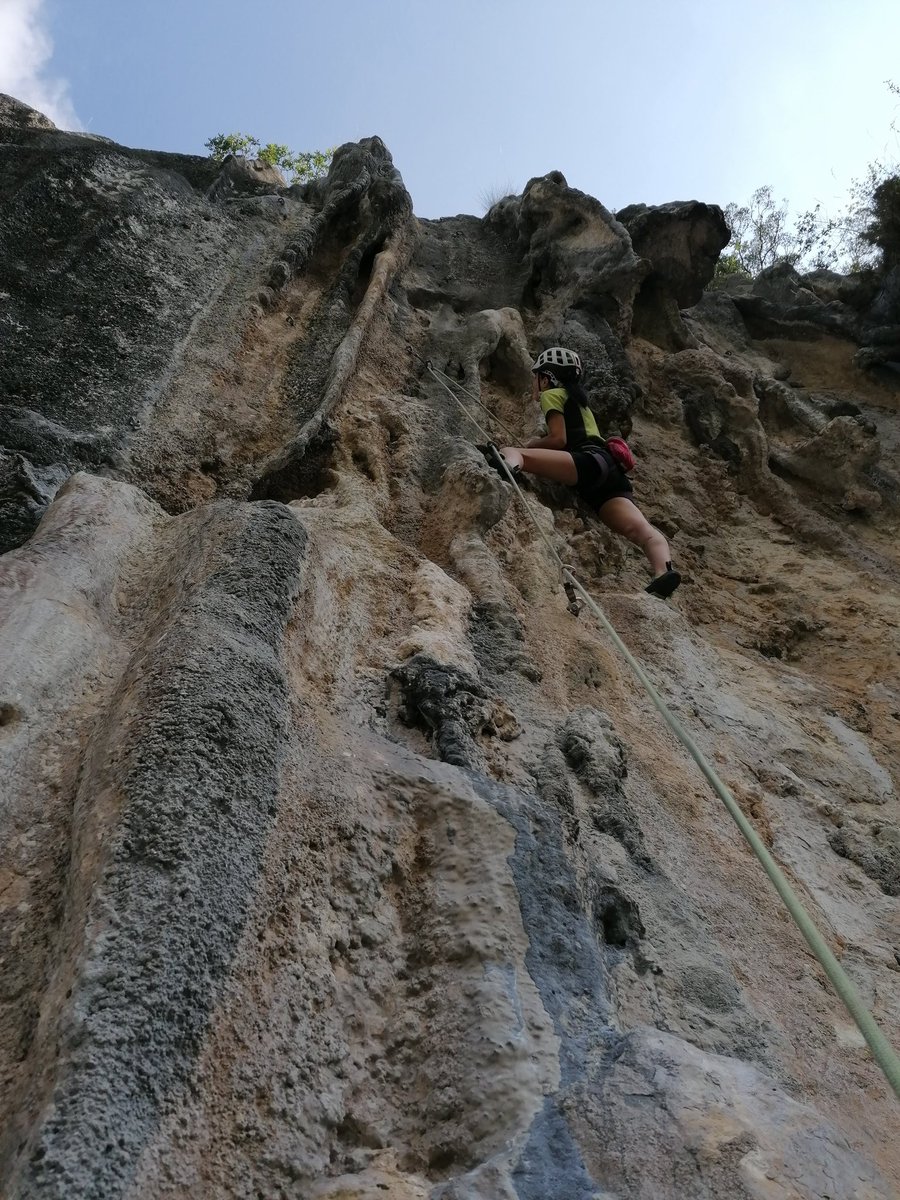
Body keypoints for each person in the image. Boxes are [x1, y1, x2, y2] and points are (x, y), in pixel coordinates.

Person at [482, 346, 681, 598]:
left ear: (546, 377)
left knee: (515, 451)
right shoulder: (581, 402)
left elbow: (558, 439)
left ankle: (506, 467)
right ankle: (663, 570)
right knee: (642, 531)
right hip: (609, 474)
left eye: (537, 377)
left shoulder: (552, 394)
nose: (535, 382)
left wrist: (530, 445)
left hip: (586, 462)